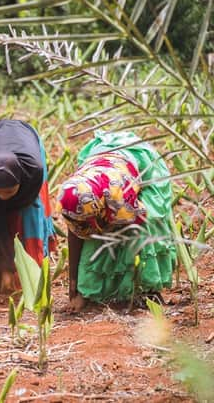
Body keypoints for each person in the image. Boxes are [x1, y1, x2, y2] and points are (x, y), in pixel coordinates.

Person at [57, 131, 176, 311]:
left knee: (144, 227)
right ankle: (93, 292)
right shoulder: (73, 196)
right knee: (95, 238)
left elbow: (131, 230)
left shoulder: (118, 194)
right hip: (103, 161)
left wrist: (133, 283)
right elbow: (77, 237)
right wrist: (75, 292)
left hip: (144, 163)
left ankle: (146, 290)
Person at [0, 119, 56, 292]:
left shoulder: (33, 172)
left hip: (25, 140)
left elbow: (31, 211)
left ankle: (30, 272)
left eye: (9, 192)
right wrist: (4, 268)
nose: (3, 197)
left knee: (30, 218)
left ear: (20, 183)